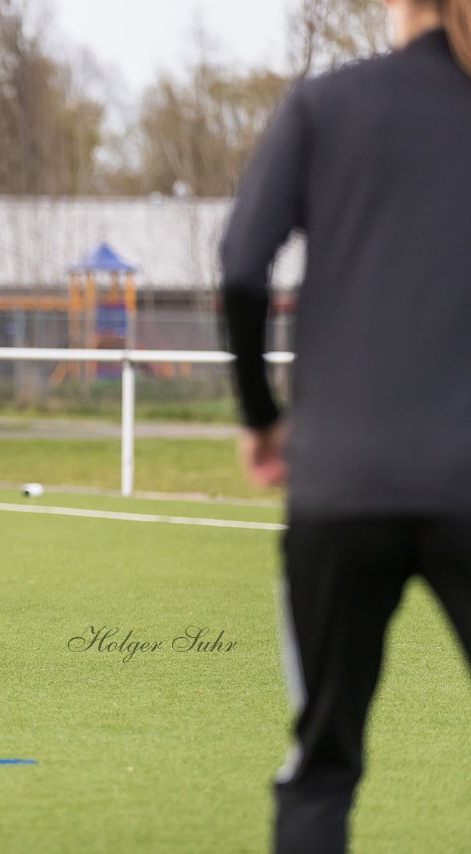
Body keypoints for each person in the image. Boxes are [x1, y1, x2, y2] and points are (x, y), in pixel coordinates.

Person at [220, 2, 471, 850]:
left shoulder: (327, 104)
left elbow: (243, 267)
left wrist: (263, 418)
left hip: (339, 481)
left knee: (322, 767)